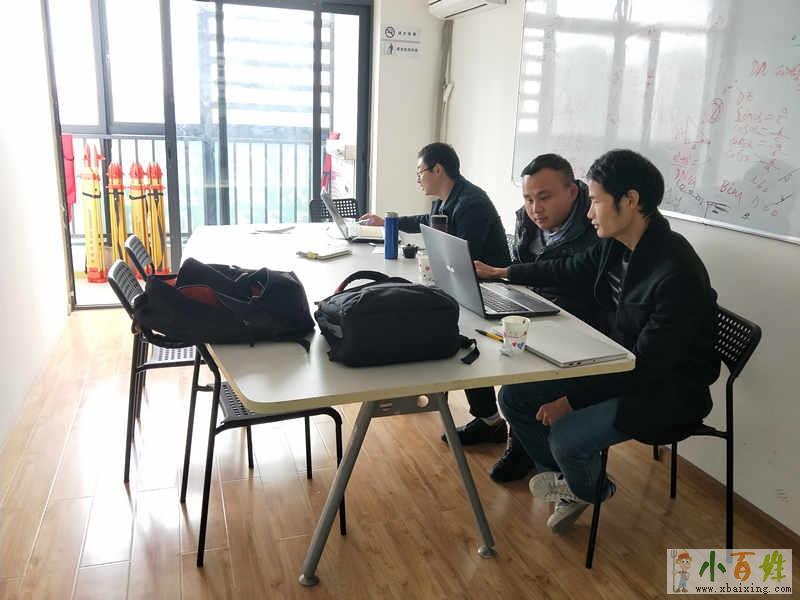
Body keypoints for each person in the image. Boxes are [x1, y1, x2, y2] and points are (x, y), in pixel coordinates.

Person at [474, 149, 720, 533]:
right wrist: (504, 272)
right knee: (513, 398)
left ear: (631, 200)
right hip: (615, 362)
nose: (589, 213)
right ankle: (572, 481)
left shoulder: (676, 273)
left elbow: (647, 367)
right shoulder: (617, 241)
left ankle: (589, 487)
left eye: (596, 201)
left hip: (664, 391)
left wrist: (570, 401)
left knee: (565, 437)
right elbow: (567, 268)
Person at [361, 142, 511, 448]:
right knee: (415, 301)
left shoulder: (471, 203)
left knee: (448, 326)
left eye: (420, 172)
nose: (418, 180)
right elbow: (426, 224)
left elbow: (467, 257)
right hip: (466, 283)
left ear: (438, 169)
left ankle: (489, 420)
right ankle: (482, 415)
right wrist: (387, 222)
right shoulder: (445, 201)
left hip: (490, 287)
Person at [491, 153, 601, 482]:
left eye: (544, 197)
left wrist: (504, 274)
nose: (535, 208)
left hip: (577, 330)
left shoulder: (597, 231)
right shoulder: (527, 220)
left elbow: (574, 278)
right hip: (538, 313)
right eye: (528, 199)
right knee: (500, 355)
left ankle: (564, 476)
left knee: (513, 387)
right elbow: (523, 268)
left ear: (572, 192)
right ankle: (523, 444)